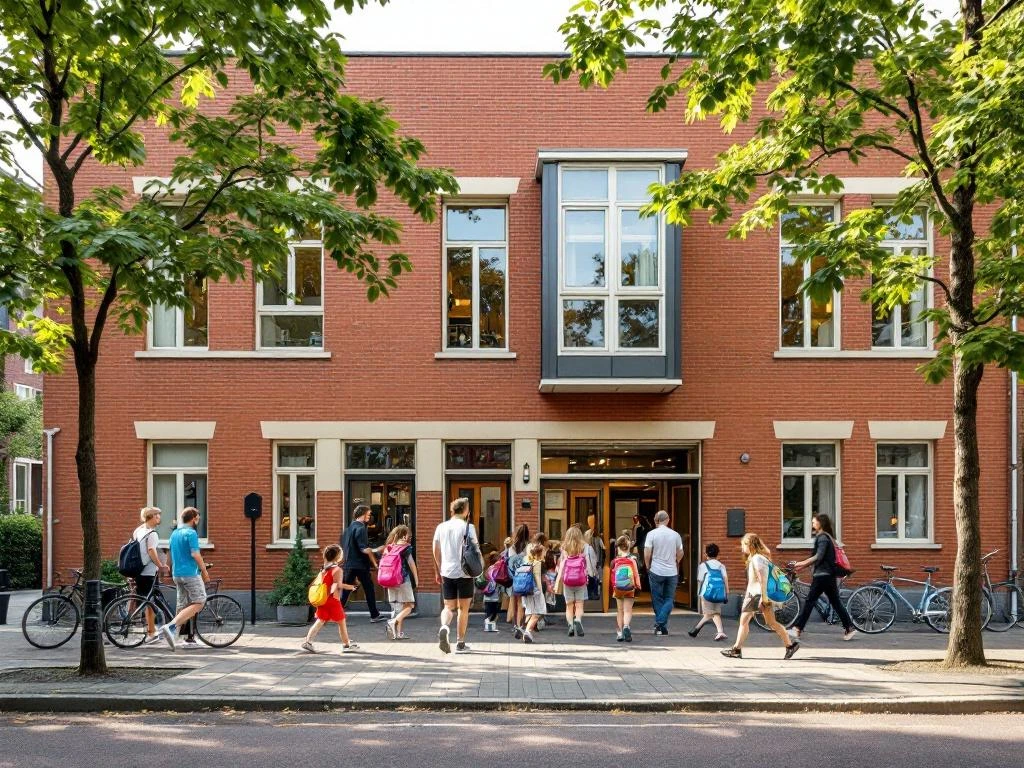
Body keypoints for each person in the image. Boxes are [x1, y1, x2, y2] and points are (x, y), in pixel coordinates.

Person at [721, 533, 799, 660]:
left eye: (743, 545)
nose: (742, 549)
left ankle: (736, 649)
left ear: (750, 545)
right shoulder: (760, 558)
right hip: (756, 594)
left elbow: (762, 579)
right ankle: (790, 646)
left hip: (756, 595)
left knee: (745, 621)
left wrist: (764, 597)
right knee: (770, 622)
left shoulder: (757, 558)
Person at [789, 513, 856, 641]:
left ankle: (797, 628)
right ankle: (849, 627)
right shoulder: (826, 537)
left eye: (814, 522)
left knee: (809, 601)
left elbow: (818, 557)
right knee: (835, 602)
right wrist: (802, 566)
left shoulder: (823, 538)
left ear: (821, 523)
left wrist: (801, 564)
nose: (812, 524)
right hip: (828, 575)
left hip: (822, 576)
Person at [432, 497, 479, 654]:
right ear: (466, 511)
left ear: (452, 510)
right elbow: (475, 550)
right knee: (463, 608)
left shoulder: (441, 527)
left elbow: (435, 550)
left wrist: (439, 569)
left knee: (448, 606)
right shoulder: (468, 527)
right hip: (465, 573)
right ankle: (460, 643)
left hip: (447, 571)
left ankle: (444, 627)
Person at [161, 507, 210, 651]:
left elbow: (169, 553)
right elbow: (195, 554)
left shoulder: (175, 533)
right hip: (190, 573)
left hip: (177, 574)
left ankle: (174, 637)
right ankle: (170, 626)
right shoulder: (191, 533)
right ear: (193, 517)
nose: (199, 520)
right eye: (198, 517)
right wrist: (204, 571)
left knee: (182, 605)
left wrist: (168, 569)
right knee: (200, 601)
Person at [302, 544, 358, 653]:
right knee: (341, 622)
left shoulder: (324, 568)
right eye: (341, 553)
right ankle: (346, 645)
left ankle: (308, 642)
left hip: (323, 598)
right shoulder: (337, 569)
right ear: (337, 556)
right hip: (332, 599)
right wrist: (351, 587)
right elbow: (338, 585)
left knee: (320, 620)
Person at [340, 503, 385, 623]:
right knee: (369, 589)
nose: (369, 517)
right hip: (360, 565)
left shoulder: (347, 530)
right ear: (363, 514)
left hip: (348, 564)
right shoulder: (361, 528)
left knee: (345, 590)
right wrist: (377, 550)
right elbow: (364, 549)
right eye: (368, 514)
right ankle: (374, 615)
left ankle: (335, 614)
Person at [643, 510, 683, 636]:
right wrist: (677, 561)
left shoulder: (651, 534)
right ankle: (662, 627)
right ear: (668, 519)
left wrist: (647, 565)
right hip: (671, 571)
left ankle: (659, 623)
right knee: (669, 598)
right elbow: (680, 552)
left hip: (656, 570)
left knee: (657, 598)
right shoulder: (675, 535)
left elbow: (647, 551)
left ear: (656, 520)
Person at [133, 506, 169, 644]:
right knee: (150, 602)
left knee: (147, 601)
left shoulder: (138, 530)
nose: (160, 518)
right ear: (152, 517)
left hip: (139, 571)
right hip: (148, 572)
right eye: (158, 515)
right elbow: (151, 551)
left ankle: (151, 631)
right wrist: (161, 565)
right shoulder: (152, 533)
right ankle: (152, 632)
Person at [555, 525, 596, 638]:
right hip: (581, 579)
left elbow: (562, 564)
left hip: (567, 580)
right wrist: (591, 574)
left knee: (569, 606)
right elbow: (588, 563)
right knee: (579, 605)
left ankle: (570, 625)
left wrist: (558, 577)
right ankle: (577, 620)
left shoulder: (564, 547)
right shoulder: (584, 546)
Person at [382, 525, 418, 641]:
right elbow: (411, 563)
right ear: (404, 535)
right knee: (409, 606)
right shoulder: (405, 547)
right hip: (402, 579)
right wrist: (416, 579)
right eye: (409, 535)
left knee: (397, 608)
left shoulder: (388, 547)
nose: (410, 537)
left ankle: (397, 633)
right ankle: (392, 622)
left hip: (390, 579)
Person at [689, 542, 729, 641]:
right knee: (713, 613)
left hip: (706, 593)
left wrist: (698, 592)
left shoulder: (703, 565)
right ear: (718, 554)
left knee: (710, 613)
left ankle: (719, 632)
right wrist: (726, 592)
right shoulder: (721, 566)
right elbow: (725, 579)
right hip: (719, 593)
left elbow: (700, 580)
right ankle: (696, 630)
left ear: (706, 554)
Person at [610, 535, 641, 642]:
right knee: (628, 610)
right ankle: (626, 626)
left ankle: (619, 633)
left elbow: (612, 576)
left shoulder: (615, 561)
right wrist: (637, 586)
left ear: (618, 547)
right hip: (630, 588)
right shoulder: (633, 560)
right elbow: (636, 574)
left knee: (620, 610)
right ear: (629, 547)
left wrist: (614, 587)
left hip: (618, 588)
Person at [518, 542, 547, 643]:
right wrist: (540, 592)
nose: (545, 553)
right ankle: (528, 631)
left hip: (525, 591)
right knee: (537, 612)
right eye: (544, 551)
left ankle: (522, 628)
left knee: (530, 611)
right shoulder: (537, 563)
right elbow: (537, 579)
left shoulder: (525, 561)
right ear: (539, 553)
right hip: (535, 592)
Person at [507, 524, 530, 631]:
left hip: (513, 577)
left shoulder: (512, 547)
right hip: (524, 577)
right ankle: (521, 625)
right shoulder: (528, 546)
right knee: (522, 602)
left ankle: (515, 625)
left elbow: (510, 563)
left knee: (514, 601)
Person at [477, 552, 502, 632]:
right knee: (493, 612)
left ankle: (489, 626)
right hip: (493, 595)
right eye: (499, 559)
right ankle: (490, 626)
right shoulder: (495, 568)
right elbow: (497, 580)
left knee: (489, 612)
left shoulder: (488, 568)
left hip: (488, 596)